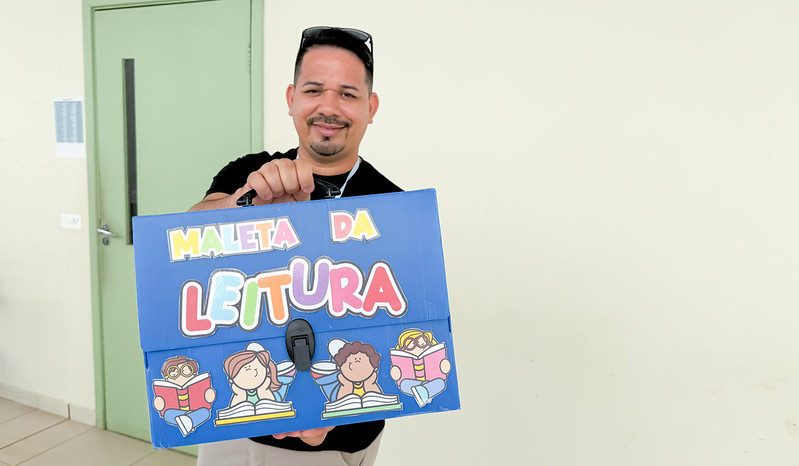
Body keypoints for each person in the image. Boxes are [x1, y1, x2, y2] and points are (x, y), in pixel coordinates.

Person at [193, 26, 400, 466]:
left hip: (342, 438)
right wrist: (244, 204)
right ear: (291, 99)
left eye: (347, 94)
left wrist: (338, 406)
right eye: (313, 90)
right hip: (239, 425)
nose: (329, 107)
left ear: (370, 107)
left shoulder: (394, 207)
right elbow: (183, 239)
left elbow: (400, 329)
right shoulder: (249, 174)